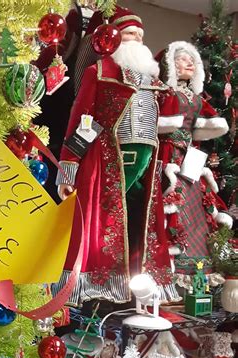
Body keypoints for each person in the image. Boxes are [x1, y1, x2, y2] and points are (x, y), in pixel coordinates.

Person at [53, 7, 182, 305]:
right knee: (106, 225)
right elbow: (82, 120)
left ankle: (140, 287)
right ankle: (103, 288)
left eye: (140, 35)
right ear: (114, 38)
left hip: (147, 164)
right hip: (109, 158)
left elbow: (164, 126)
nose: (137, 40)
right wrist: (69, 168)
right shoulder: (98, 73)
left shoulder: (154, 82)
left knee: (141, 225)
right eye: (130, 34)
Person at [156, 41, 231, 282]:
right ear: (170, 65)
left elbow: (211, 120)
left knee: (196, 206)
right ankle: (170, 268)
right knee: (172, 202)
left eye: (192, 60)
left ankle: (199, 270)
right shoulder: (164, 92)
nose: (190, 63)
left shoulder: (197, 98)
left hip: (190, 156)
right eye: (183, 59)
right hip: (168, 155)